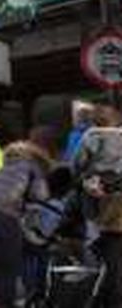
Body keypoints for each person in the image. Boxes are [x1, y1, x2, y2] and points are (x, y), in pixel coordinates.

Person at [0, 137, 51, 307]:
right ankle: (5, 303)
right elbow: (41, 195)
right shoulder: (32, 166)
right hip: (2, 216)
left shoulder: (5, 167)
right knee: (8, 266)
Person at [73, 104, 122, 308]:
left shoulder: (89, 136)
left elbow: (77, 164)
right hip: (118, 195)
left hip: (96, 194)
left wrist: (86, 179)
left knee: (102, 244)